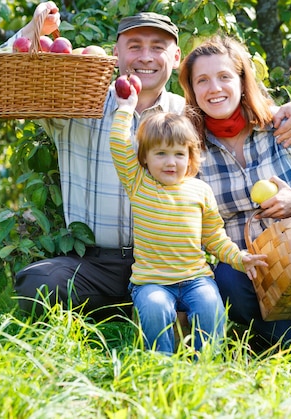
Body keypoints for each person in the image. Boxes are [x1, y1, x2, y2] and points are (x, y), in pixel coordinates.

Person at [0, 1, 291, 322]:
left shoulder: (190, 113)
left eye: (157, 47)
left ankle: (157, 313)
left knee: (213, 291)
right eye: (134, 45)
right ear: (116, 54)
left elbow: (242, 110)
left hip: (172, 263)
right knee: (37, 285)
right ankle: (129, 311)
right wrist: (32, 29)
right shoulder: (79, 102)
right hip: (97, 264)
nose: (146, 56)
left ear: (175, 57)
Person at [178, 35, 291, 347]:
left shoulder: (282, 125)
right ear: (192, 89)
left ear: (241, 80)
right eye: (202, 80)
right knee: (225, 276)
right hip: (254, 273)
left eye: (224, 77)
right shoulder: (191, 147)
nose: (214, 88)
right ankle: (284, 341)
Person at [109, 88, 267, 353]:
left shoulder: (200, 191)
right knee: (154, 307)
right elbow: (117, 143)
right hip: (152, 282)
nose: (170, 162)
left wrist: (240, 258)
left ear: (190, 157)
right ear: (144, 158)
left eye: (179, 154)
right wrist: (126, 107)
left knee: (210, 307)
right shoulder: (138, 183)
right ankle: (161, 365)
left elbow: (215, 238)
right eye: (160, 154)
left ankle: (205, 364)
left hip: (196, 279)